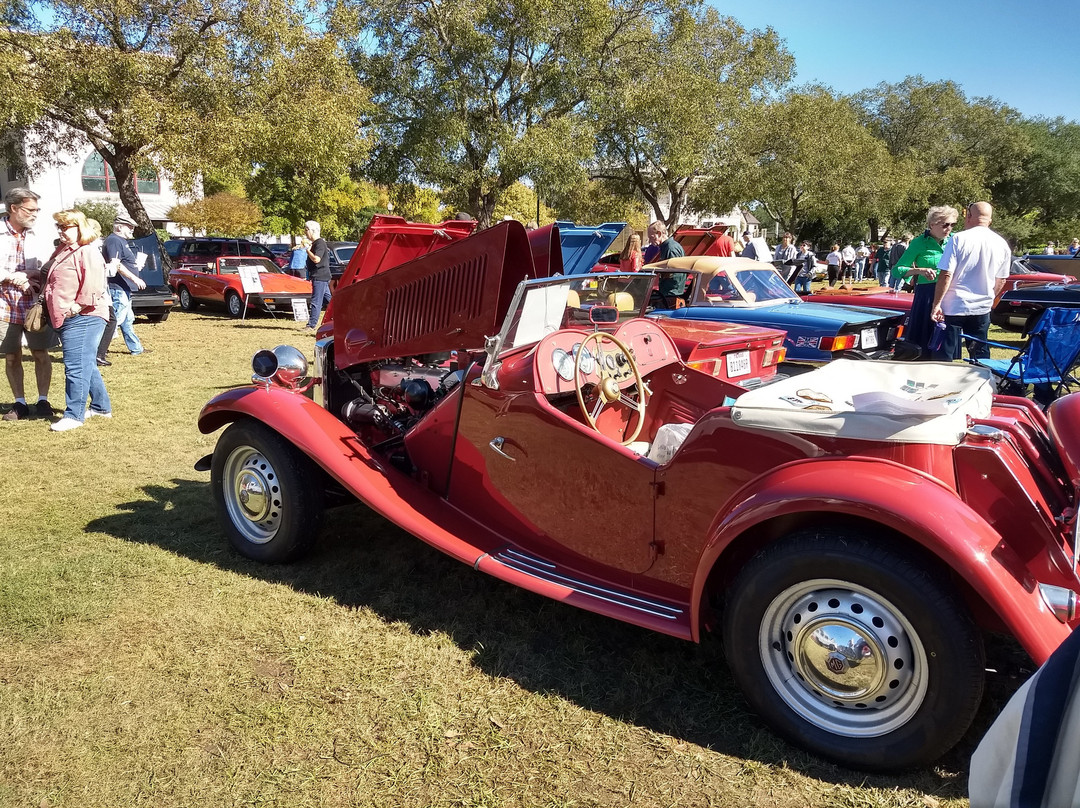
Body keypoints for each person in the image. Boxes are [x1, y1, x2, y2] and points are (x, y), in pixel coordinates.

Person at [43, 209, 111, 431]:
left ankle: (74, 415)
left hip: (84, 316)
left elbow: (94, 285)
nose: (61, 231)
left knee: (75, 367)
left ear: (79, 227)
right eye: (59, 227)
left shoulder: (87, 251)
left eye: (65, 227)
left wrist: (76, 306)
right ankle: (101, 408)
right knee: (85, 364)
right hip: (69, 316)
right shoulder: (64, 250)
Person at [930, 202, 1011, 361]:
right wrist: (989, 296)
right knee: (980, 352)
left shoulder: (958, 239)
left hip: (954, 304)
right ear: (990, 220)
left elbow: (946, 274)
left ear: (969, 216)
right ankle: (982, 382)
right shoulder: (1002, 244)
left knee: (944, 352)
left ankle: (941, 382)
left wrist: (936, 304)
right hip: (981, 306)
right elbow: (1001, 279)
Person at [0, 187, 54, 421]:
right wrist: (11, 276)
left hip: (34, 305)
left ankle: (43, 400)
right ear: (14, 208)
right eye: (31, 210)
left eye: (37, 210)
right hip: (4, 306)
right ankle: (19, 403)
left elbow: (48, 266)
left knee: (41, 353)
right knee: (12, 356)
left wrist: (29, 273)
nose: (35, 214)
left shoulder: (38, 234)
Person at [892, 206, 958, 358]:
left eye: (952, 224)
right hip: (926, 295)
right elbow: (897, 270)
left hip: (950, 292)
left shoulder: (955, 241)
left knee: (946, 341)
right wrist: (919, 271)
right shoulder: (918, 243)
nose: (949, 228)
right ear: (932, 224)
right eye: (945, 224)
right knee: (923, 341)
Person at [101, 213, 147, 356]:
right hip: (118, 288)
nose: (132, 230)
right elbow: (117, 265)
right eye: (130, 227)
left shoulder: (122, 241)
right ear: (120, 227)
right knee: (114, 321)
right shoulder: (114, 240)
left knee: (127, 320)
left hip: (125, 288)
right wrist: (135, 279)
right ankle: (98, 350)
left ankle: (136, 349)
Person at [648, 221, 686, 305]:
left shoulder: (671, 248)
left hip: (671, 295)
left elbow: (675, 274)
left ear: (659, 233)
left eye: (651, 237)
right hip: (668, 293)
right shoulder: (666, 247)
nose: (650, 241)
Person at [303, 220, 331, 331]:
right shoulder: (316, 243)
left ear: (313, 230)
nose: (305, 232)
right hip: (320, 276)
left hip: (320, 276)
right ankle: (344, 315)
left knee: (316, 301)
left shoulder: (320, 243)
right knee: (331, 301)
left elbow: (316, 259)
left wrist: (307, 251)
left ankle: (311, 325)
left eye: (306, 230)